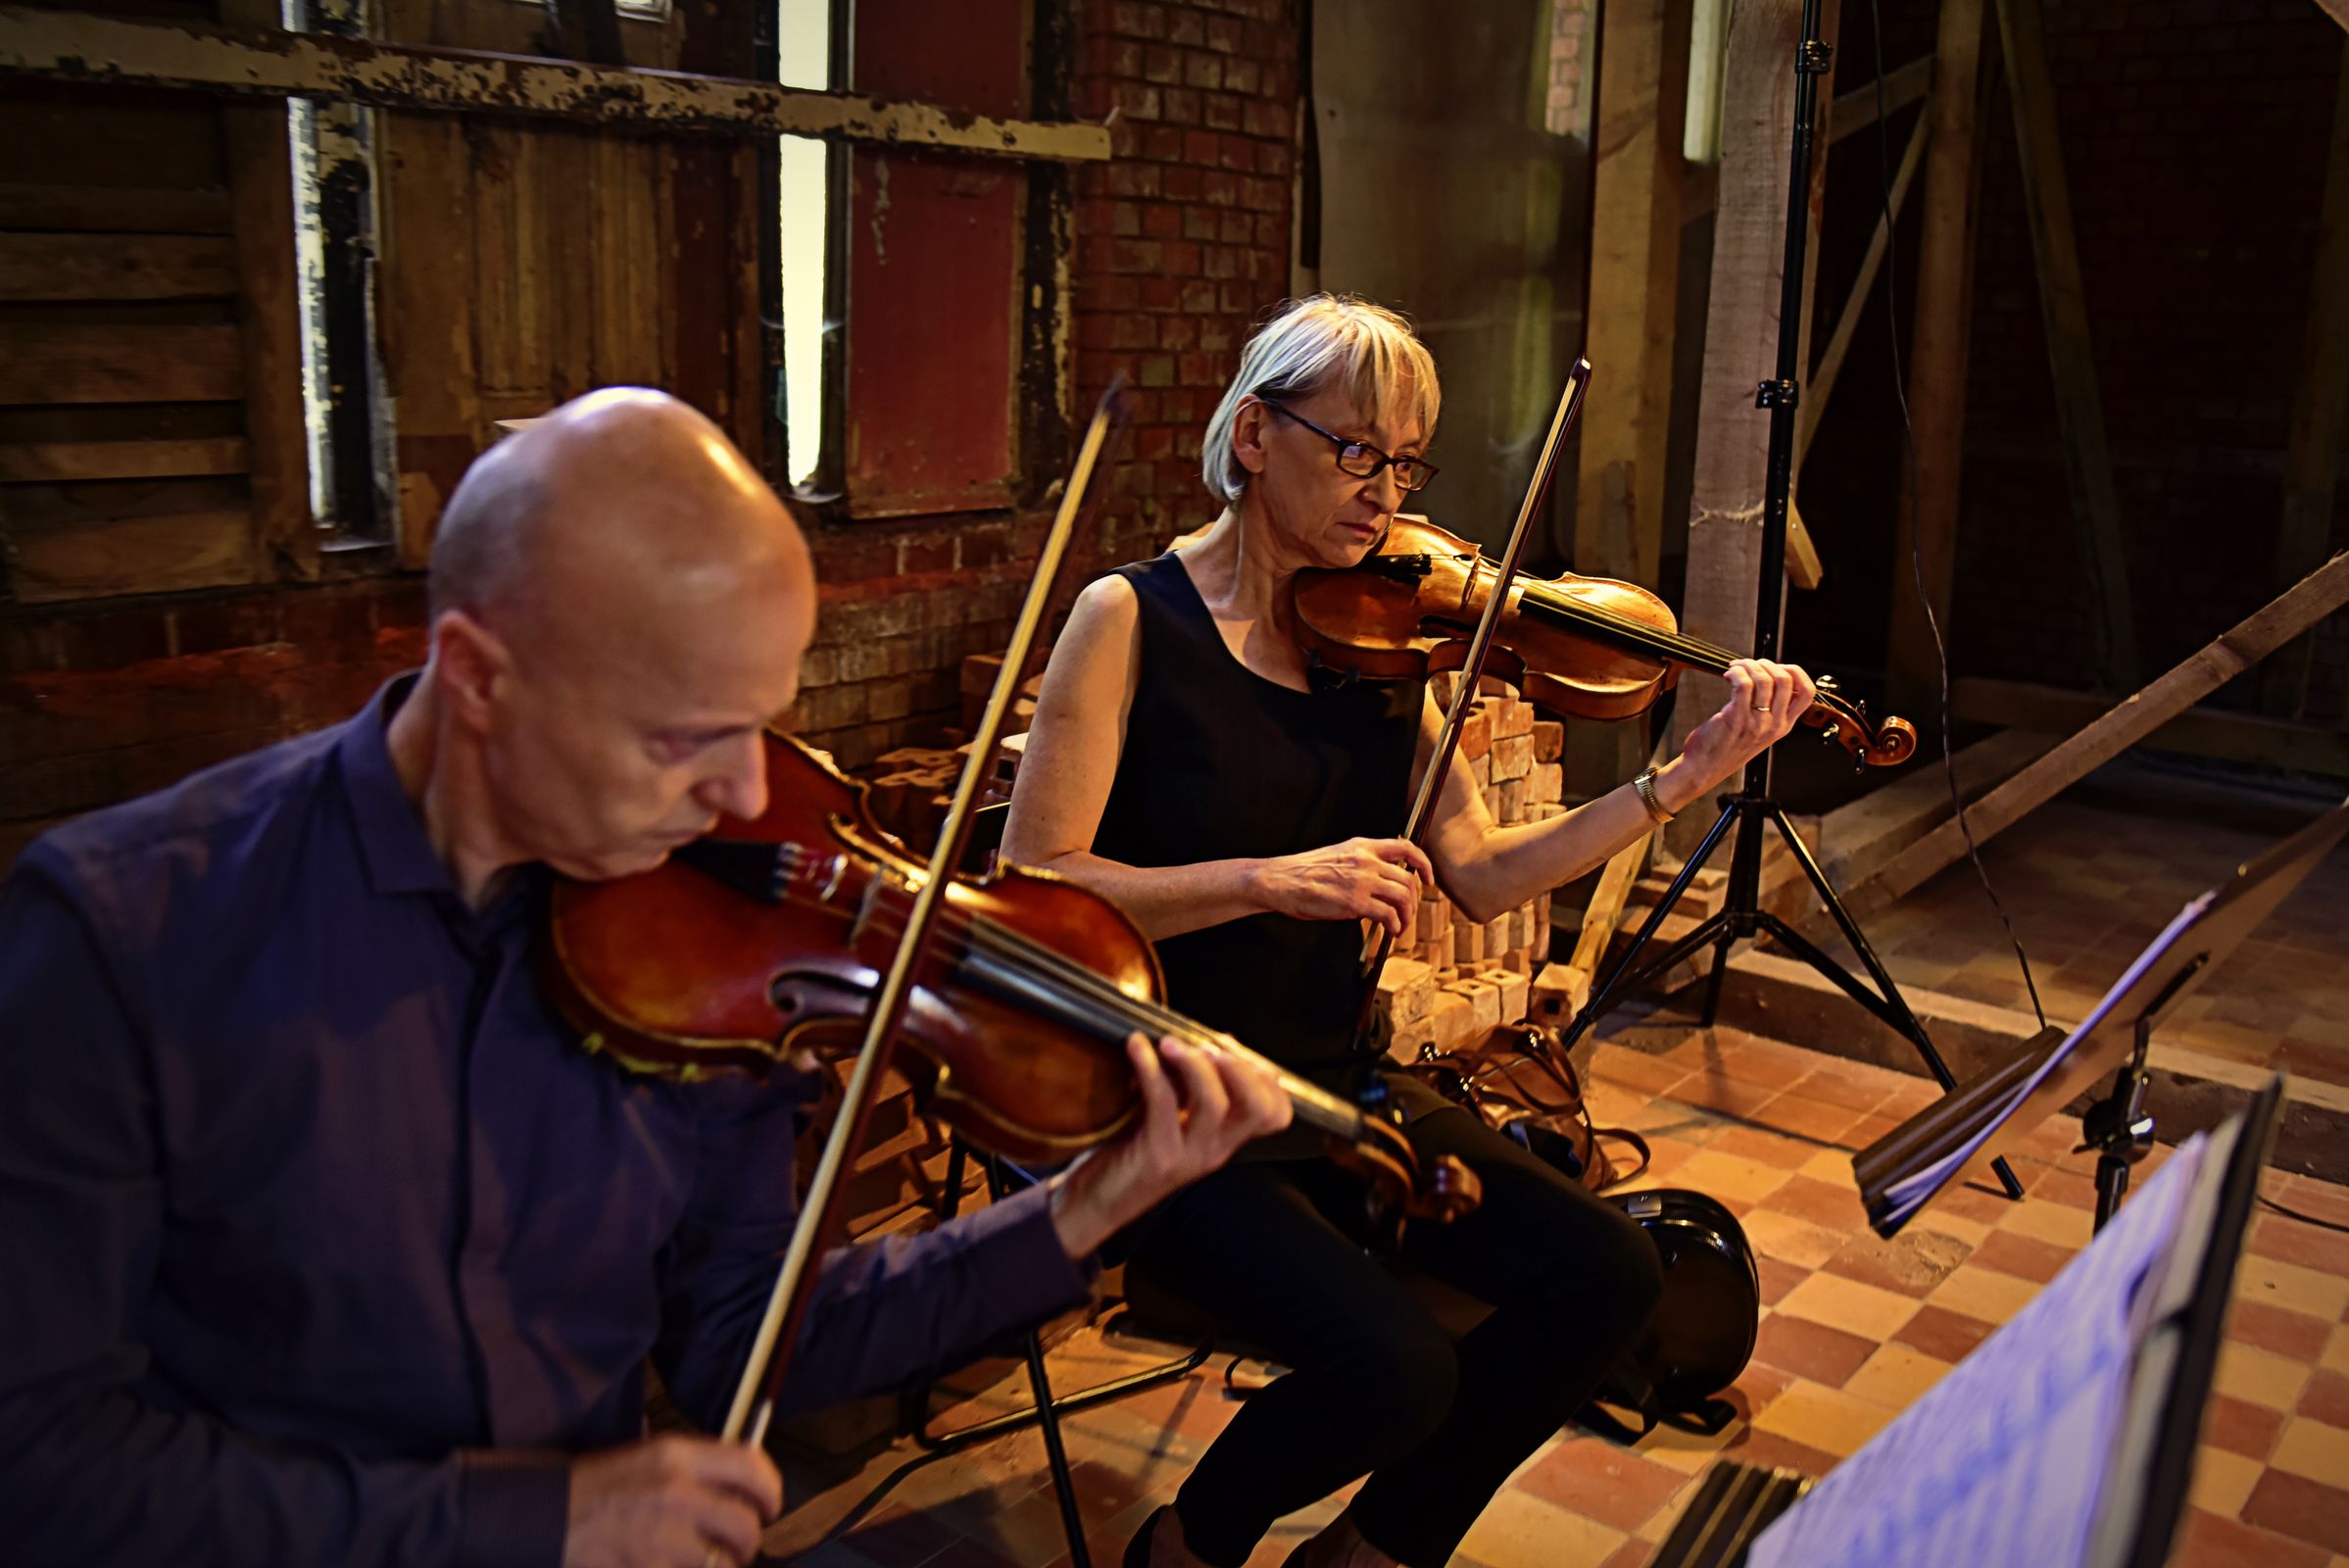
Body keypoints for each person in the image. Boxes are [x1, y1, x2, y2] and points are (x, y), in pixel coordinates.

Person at [0, 389, 1292, 1568]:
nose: (739, 794)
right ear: (479, 676)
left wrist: (1082, 1207)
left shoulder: (707, 945)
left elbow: (753, 1334)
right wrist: (531, 1524)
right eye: (685, 738)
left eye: (760, 723)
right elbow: (40, 1463)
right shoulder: (125, 929)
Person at [1003, 295, 1820, 1568]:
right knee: (1397, 1368)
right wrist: (1269, 882)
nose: (1382, 495)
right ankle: (1187, 1545)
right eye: (1354, 451)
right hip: (1164, 1097)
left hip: (1331, 1083)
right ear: (1254, 435)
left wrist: (1682, 778)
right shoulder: (1130, 620)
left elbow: (1485, 875)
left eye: (1404, 463)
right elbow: (1035, 882)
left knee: (1609, 1273)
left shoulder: (1379, 648)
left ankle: (1374, 1551)